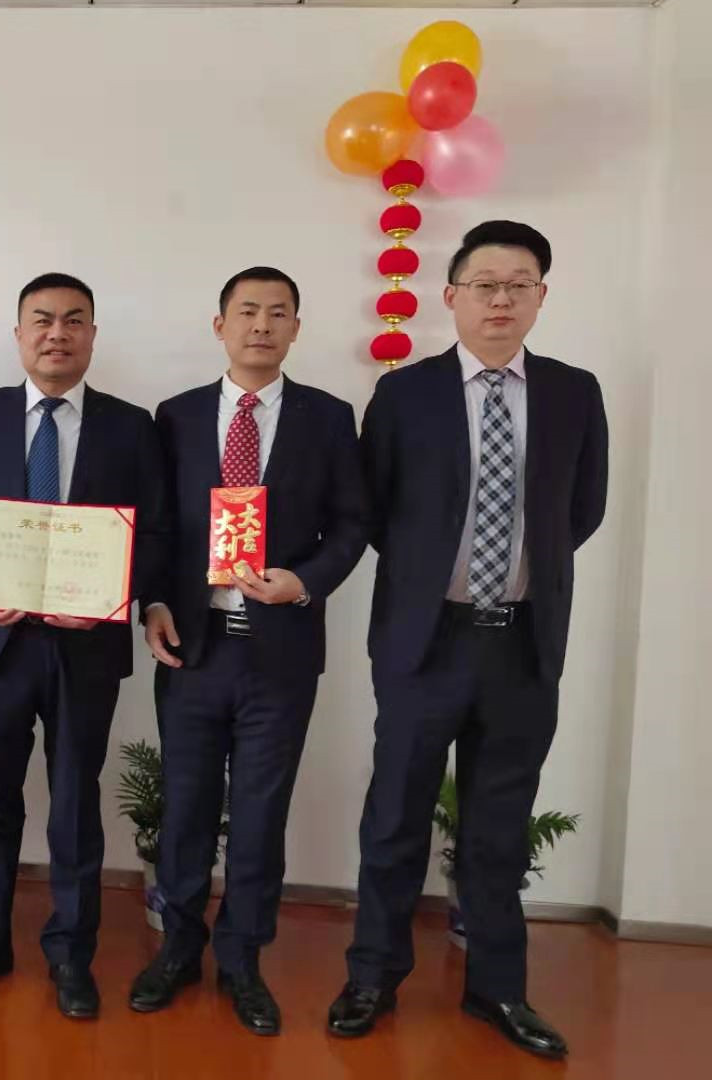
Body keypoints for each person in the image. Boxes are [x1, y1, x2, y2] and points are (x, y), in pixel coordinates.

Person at [329, 221, 608, 1060]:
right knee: (395, 816)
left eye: (519, 285)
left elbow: (581, 510)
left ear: (541, 298)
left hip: (523, 644)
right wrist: (433, 580)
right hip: (426, 640)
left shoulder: (573, 392)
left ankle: (498, 988)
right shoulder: (403, 395)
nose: (500, 300)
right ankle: (373, 976)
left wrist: (516, 574)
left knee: (499, 825)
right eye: (485, 284)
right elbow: (375, 510)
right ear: (451, 296)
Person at [131, 268, 369, 1034]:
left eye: (277, 313)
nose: (261, 325)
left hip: (281, 653)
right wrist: (153, 603)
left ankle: (242, 961)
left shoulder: (328, 418)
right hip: (193, 649)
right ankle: (177, 949)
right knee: (187, 809)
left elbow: (353, 523)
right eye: (247, 311)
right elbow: (158, 526)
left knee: (262, 815)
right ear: (220, 325)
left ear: (296, 328)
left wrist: (306, 582)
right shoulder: (176, 416)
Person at [0, 273, 169, 1020]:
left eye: (73, 321)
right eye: (42, 320)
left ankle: (70, 954)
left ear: (92, 335)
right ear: (19, 334)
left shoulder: (132, 426)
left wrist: (113, 596)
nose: (56, 333)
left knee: (74, 803)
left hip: (85, 647)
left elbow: (157, 529)